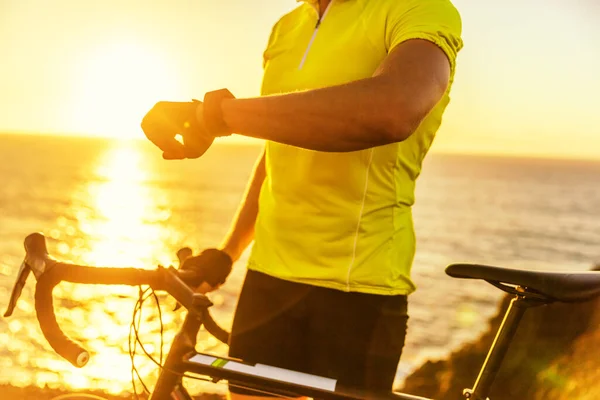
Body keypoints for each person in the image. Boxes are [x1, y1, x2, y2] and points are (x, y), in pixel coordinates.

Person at [141, 0, 463, 397]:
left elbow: (394, 109)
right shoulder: (286, 28)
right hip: (268, 280)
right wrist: (229, 252)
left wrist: (219, 115)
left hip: (359, 287)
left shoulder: (420, 9)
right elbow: (279, 152)